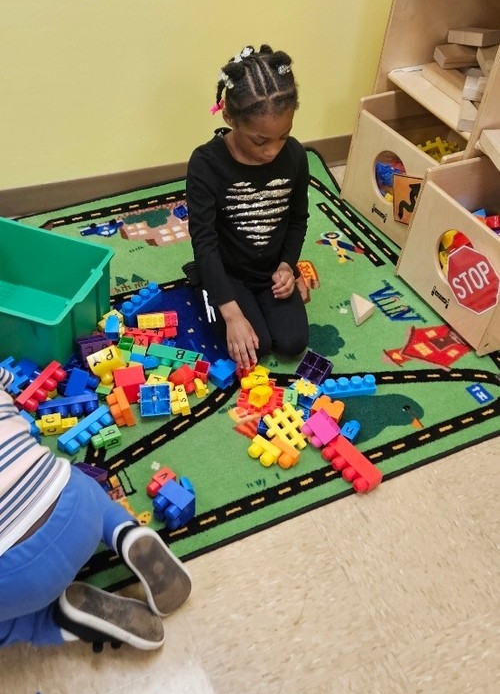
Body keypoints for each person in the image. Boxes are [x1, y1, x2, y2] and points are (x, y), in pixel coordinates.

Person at [0, 365, 191, 651]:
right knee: (80, 482)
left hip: (18, 581)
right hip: (78, 509)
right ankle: (125, 533)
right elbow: (10, 384)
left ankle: (55, 621)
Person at [186, 44, 310, 370]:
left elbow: (298, 218)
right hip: (226, 270)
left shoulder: (296, 156)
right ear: (229, 117)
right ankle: (201, 282)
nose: (273, 151)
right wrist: (230, 313)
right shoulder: (205, 163)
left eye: (284, 136)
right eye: (260, 140)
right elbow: (204, 240)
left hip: (269, 270)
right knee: (258, 346)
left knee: (292, 343)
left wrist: (287, 266)